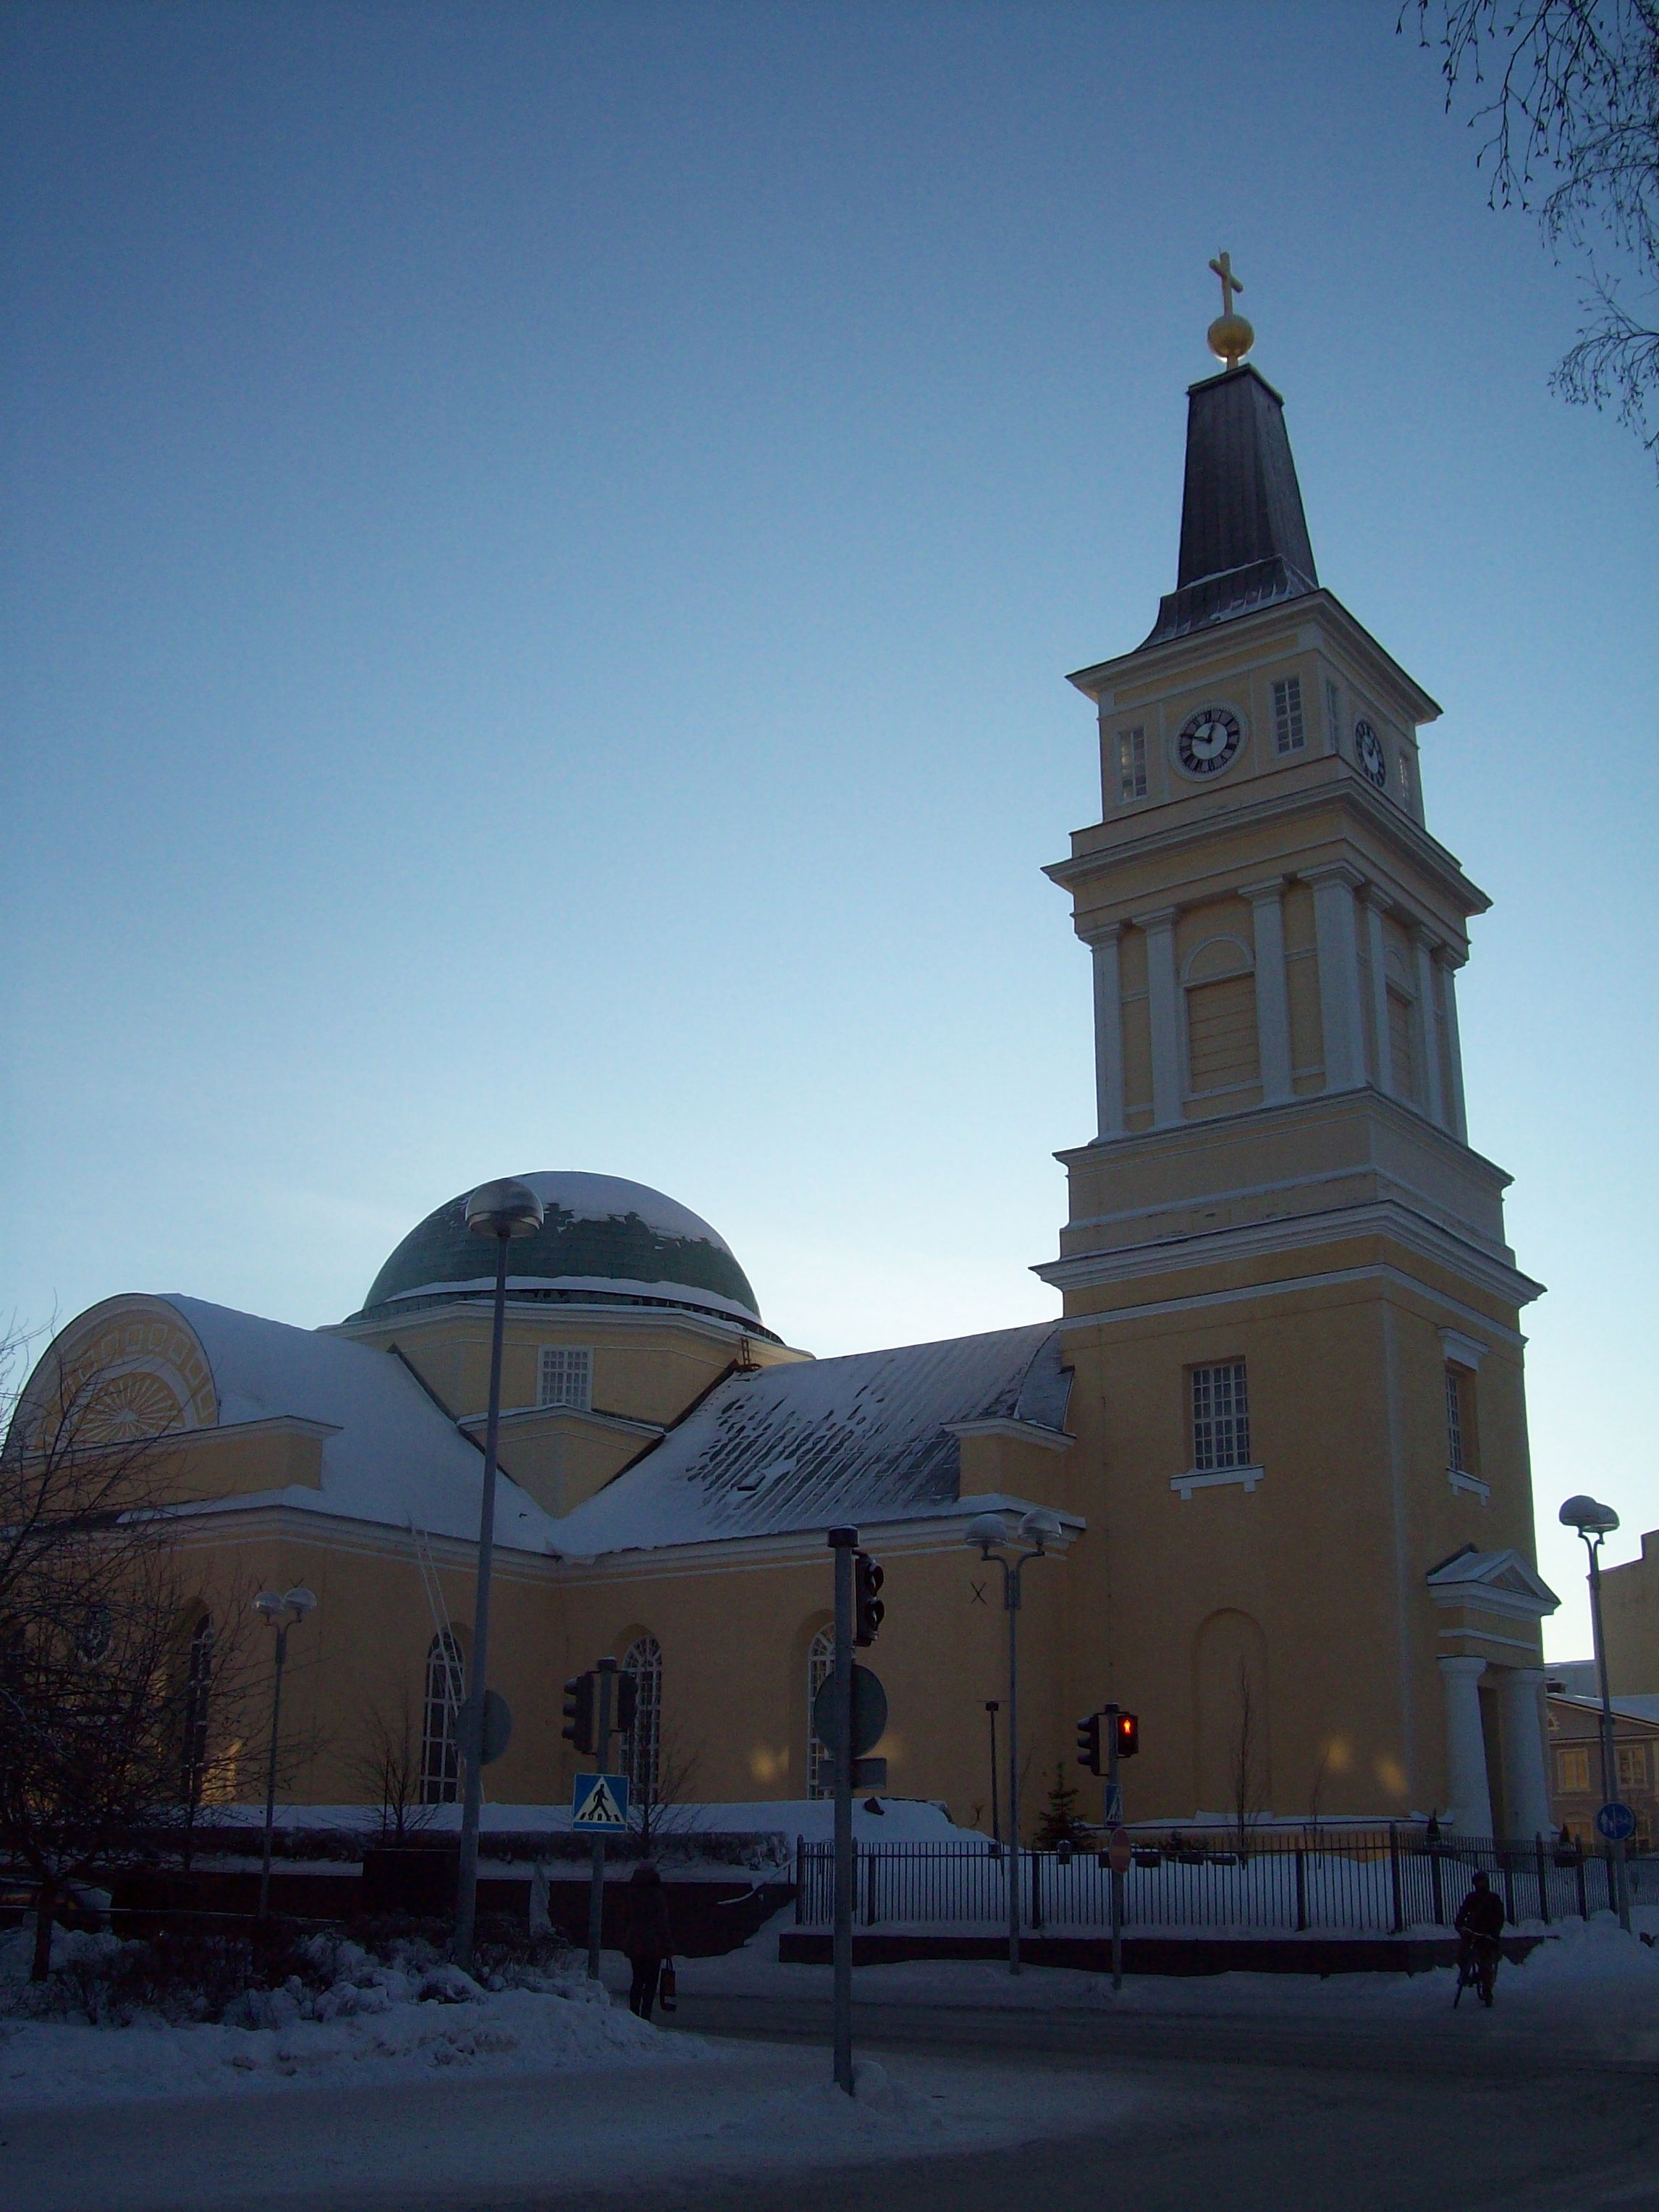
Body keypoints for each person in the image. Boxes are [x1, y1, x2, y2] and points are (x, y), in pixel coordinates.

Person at [620, 1862, 673, 2020]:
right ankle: (646, 2015)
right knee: (651, 1982)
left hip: (634, 1941)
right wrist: (668, 1945)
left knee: (637, 1979)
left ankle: (633, 2014)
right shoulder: (657, 1894)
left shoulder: (630, 1893)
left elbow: (624, 1917)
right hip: (653, 1944)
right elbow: (662, 1922)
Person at [1454, 1869, 1505, 2006]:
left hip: (1487, 1936)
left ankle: (1487, 1992)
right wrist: (1460, 1926)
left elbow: (1499, 1918)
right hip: (1472, 1934)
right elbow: (1462, 1912)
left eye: (1482, 1882)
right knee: (1461, 1957)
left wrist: (1494, 1933)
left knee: (1486, 1964)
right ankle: (1465, 1975)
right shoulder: (1471, 1898)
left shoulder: (1493, 1898)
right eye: (1478, 1882)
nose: (1480, 1885)